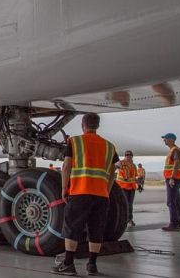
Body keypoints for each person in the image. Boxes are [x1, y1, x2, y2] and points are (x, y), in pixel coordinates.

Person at [52, 113, 118, 276]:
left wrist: (63, 187)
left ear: (83, 124)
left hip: (80, 192)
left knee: (72, 228)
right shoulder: (109, 146)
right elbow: (112, 173)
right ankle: (92, 265)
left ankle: (68, 264)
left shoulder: (75, 142)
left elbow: (66, 166)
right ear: (97, 125)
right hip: (101, 195)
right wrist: (106, 191)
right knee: (96, 230)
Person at [161, 133, 180, 232]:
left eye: (165, 138)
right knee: (176, 202)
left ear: (171, 139)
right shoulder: (173, 150)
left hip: (173, 179)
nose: (164, 140)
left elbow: (176, 164)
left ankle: (174, 224)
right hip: (175, 178)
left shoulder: (175, 150)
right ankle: (179, 224)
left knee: (171, 202)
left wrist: (172, 178)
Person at [115, 150, 138, 227]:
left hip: (131, 187)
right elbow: (114, 168)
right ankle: (122, 220)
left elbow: (135, 176)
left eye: (130, 154)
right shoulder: (121, 162)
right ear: (124, 156)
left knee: (130, 205)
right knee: (123, 204)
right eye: (126, 154)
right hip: (122, 187)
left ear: (132, 156)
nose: (128, 156)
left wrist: (139, 184)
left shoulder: (134, 165)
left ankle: (129, 219)